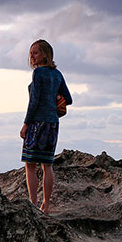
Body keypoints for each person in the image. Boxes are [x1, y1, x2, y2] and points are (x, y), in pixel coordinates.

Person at [20, 39, 72, 214]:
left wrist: (25, 124)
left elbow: (34, 102)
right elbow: (68, 99)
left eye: (35, 52)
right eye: (31, 53)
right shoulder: (57, 74)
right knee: (47, 165)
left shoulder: (39, 73)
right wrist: (53, 99)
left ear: (45, 54)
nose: (32, 56)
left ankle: (33, 204)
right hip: (52, 124)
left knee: (30, 164)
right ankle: (47, 205)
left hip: (37, 123)